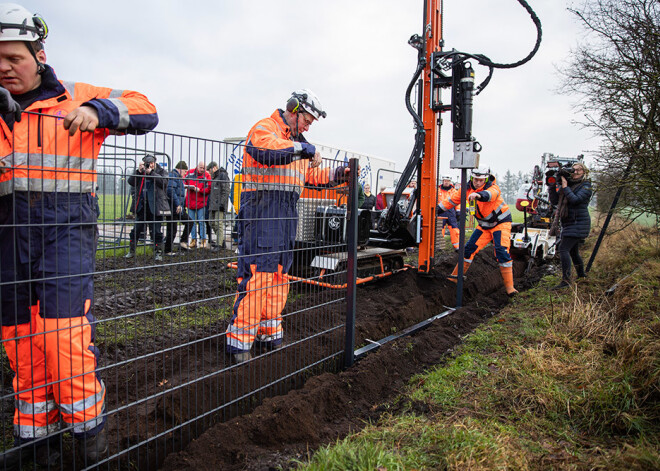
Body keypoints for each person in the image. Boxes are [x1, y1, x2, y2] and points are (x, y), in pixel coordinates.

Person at [0, 4, 158, 467]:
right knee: (20, 343)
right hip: (9, 235)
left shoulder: (75, 95)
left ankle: (90, 438)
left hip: (64, 231)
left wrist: (99, 110)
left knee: (62, 338)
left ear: (40, 54)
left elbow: (145, 105)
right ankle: (35, 441)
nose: (4, 68)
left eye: (13, 58)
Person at [225, 89, 348, 364]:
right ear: (293, 110)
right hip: (261, 211)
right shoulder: (266, 128)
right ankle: (240, 342)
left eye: (311, 123)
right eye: (307, 119)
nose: (308, 126)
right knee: (258, 275)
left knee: (279, 276)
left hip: (284, 215)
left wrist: (340, 174)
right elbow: (265, 150)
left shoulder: (297, 143)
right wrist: (305, 149)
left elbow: (313, 176)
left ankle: (269, 333)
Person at [438, 167, 518, 297]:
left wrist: (479, 195)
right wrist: (435, 210)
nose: (478, 182)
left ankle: (510, 289)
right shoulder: (466, 189)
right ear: (471, 178)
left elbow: (490, 195)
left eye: (481, 180)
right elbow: (451, 201)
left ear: (485, 179)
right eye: (475, 179)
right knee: (468, 250)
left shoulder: (493, 187)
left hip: (500, 223)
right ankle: (454, 279)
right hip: (484, 226)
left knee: (501, 251)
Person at [548, 162, 593, 289]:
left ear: (584, 172)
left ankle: (566, 281)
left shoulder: (586, 186)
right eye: (574, 170)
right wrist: (552, 186)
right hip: (570, 223)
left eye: (579, 170)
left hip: (578, 223)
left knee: (563, 249)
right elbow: (555, 201)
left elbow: (575, 200)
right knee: (573, 252)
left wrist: (565, 186)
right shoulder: (571, 185)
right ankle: (581, 276)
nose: (576, 172)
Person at [125, 155, 170, 261]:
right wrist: (138, 171)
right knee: (136, 230)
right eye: (146, 163)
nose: (149, 165)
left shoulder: (161, 171)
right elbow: (131, 182)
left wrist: (151, 173)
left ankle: (158, 253)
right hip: (142, 206)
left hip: (156, 206)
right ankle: (131, 251)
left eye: (151, 163)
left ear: (154, 163)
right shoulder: (141, 172)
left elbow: (164, 183)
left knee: (156, 232)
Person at [164, 160, 194, 254]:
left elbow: (177, 190)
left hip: (178, 207)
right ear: (180, 169)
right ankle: (167, 250)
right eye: (185, 171)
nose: (185, 174)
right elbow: (170, 191)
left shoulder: (177, 177)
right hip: (173, 208)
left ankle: (182, 243)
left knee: (189, 222)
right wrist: (177, 204)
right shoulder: (173, 176)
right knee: (172, 230)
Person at [184, 161, 211, 249]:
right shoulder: (189, 173)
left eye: (204, 168)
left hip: (201, 202)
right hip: (190, 202)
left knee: (201, 222)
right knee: (191, 222)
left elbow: (208, 189)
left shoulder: (207, 176)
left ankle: (203, 240)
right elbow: (183, 181)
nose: (202, 170)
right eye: (201, 168)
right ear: (197, 167)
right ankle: (193, 240)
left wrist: (200, 190)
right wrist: (186, 186)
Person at [206, 161, 231, 250]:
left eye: (209, 170)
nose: (209, 172)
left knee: (218, 223)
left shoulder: (222, 176)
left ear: (214, 168)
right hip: (213, 204)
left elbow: (226, 190)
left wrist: (222, 203)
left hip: (219, 204)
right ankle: (221, 241)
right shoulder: (215, 177)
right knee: (212, 223)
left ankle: (219, 244)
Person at [437, 175, 460, 250]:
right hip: (440, 212)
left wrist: (458, 212)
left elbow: (458, 202)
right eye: (445, 181)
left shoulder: (454, 191)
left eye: (448, 181)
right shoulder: (437, 191)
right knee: (439, 229)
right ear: (443, 181)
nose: (446, 182)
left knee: (454, 229)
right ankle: (439, 246)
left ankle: (457, 246)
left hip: (451, 212)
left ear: (450, 182)